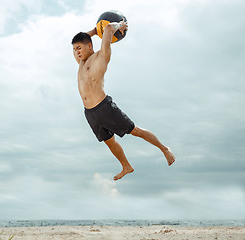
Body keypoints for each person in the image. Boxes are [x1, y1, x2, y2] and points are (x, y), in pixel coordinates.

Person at [72, 19, 175, 181]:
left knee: (136, 131)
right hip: (90, 113)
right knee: (109, 142)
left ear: (89, 46)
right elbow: (81, 37)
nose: (76, 52)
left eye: (79, 48)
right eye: (74, 49)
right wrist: (93, 31)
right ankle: (126, 166)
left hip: (105, 108)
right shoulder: (80, 63)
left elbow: (107, 30)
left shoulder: (101, 56)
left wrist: (119, 26)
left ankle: (164, 149)